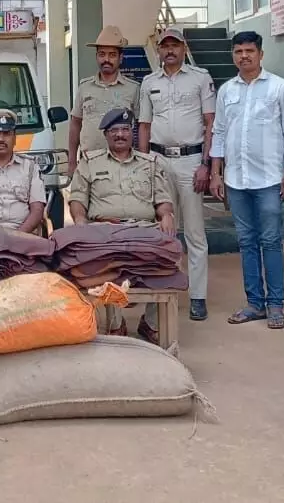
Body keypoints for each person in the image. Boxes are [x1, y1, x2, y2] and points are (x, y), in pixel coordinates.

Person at [208, 31, 284, 330]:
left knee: (271, 241)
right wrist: (215, 172)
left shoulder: (279, 88)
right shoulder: (226, 91)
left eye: (249, 51)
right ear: (233, 55)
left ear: (261, 54)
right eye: (238, 51)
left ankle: (276, 305)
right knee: (246, 241)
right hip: (236, 179)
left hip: (269, 179)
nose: (244, 56)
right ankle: (254, 304)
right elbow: (219, 132)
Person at [69, 107, 176, 338]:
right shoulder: (90, 162)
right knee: (98, 263)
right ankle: (115, 323)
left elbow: (163, 201)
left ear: (132, 133)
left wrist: (167, 215)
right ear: (106, 135)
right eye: (114, 130)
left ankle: (151, 324)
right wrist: (79, 219)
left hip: (143, 229)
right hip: (106, 231)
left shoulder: (150, 163)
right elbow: (77, 199)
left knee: (170, 255)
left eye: (125, 129)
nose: (120, 135)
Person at [138, 26, 215, 322]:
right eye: (165, 46)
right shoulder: (149, 82)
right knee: (162, 230)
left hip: (191, 160)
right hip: (158, 160)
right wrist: (144, 164)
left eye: (175, 45)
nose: (170, 50)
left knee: (194, 233)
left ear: (183, 48)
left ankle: (198, 297)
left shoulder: (200, 78)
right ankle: (162, 293)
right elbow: (144, 125)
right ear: (158, 50)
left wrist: (206, 164)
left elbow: (211, 123)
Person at [68, 25, 141, 174]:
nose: (106, 59)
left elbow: (141, 127)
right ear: (96, 56)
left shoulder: (133, 89)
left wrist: (140, 161)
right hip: (88, 163)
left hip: (122, 165)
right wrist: (71, 162)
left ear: (120, 58)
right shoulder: (84, 87)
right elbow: (75, 124)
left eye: (112, 55)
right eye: (102, 54)